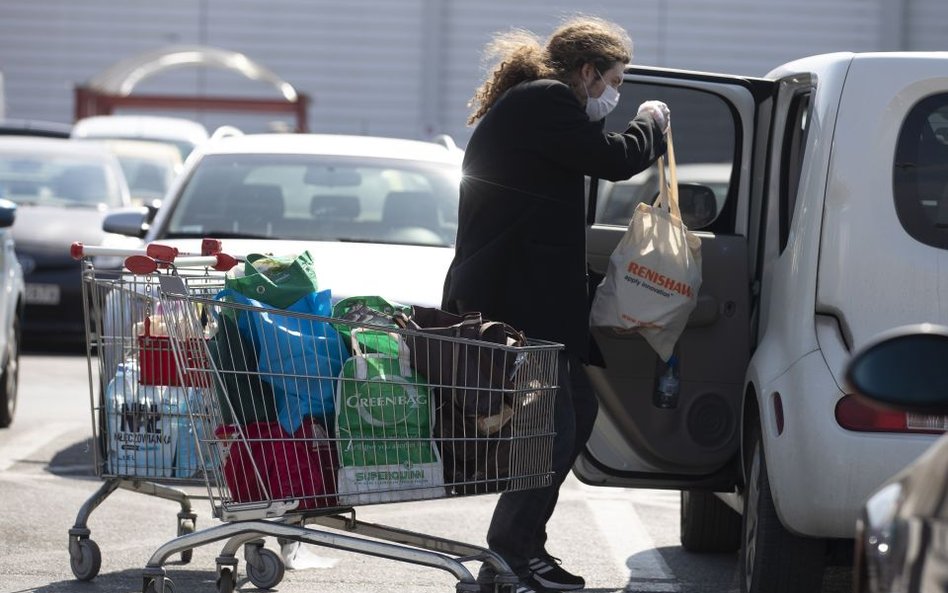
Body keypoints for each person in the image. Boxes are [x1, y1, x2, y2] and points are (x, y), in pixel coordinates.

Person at [441, 15, 670, 593]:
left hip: (528, 296)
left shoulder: (536, 105)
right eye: (614, 81)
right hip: (517, 301)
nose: (615, 95)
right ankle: (514, 552)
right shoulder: (546, 100)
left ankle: (522, 547)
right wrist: (651, 125)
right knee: (554, 427)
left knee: (572, 416)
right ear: (587, 72)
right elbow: (615, 158)